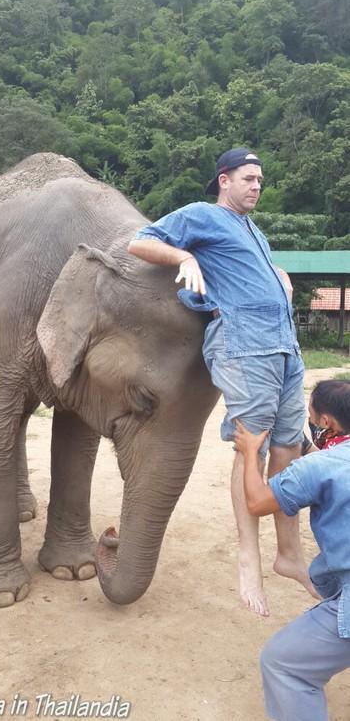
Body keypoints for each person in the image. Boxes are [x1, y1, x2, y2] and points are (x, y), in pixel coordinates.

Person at [128, 147, 317, 616]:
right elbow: (139, 240)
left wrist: (279, 277)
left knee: (289, 448)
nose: (256, 186)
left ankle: (289, 554)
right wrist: (182, 256)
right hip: (243, 341)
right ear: (224, 180)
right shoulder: (202, 215)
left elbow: (250, 272)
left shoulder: (254, 230)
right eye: (248, 178)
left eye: (260, 180)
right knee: (251, 444)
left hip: (285, 346)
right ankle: (248, 556)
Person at [233, 379, 350, 721]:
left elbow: (257, 502)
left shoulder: (319, 468)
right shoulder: (329, 460)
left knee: (284, 664)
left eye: (309, 412)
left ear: (325, 421)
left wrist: (252, 452)